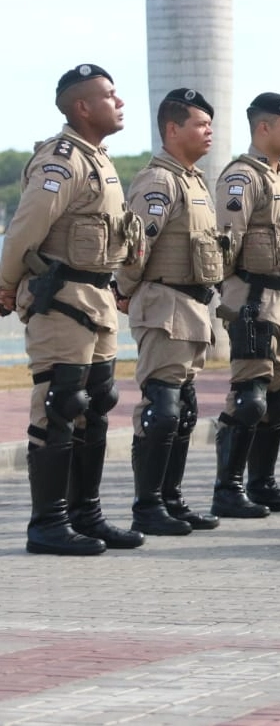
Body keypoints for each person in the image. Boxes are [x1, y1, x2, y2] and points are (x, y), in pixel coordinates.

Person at [0, 64, 144, 555]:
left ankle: (87, 515)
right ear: (82, 107)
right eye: (109, 95)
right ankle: (48, 524)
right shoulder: (60, 161)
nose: (119, 101)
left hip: (96, 299)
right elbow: (24, 229)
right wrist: (4, 285)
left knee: (96, 405)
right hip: (61, 301)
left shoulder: (99, 159)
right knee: (61, 406)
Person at [115, 88, 223, 536]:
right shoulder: (159, 181)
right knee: (162, 409)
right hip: (164, 304)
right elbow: (136, 246)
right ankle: (147, 506)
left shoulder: (194, 179)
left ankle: (171, 499)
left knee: (183, 410)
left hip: (191, 307)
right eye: (201, 124)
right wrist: (124, 292)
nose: (209, 131)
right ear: (173, 129)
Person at [209, 93, 280, 518]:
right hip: (252, 299)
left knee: (276, 400)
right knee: (248, 397)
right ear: (263, 128)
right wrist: (232, 294)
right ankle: (227, 489)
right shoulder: (242, 177)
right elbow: (224, 245)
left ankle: (263, 484)